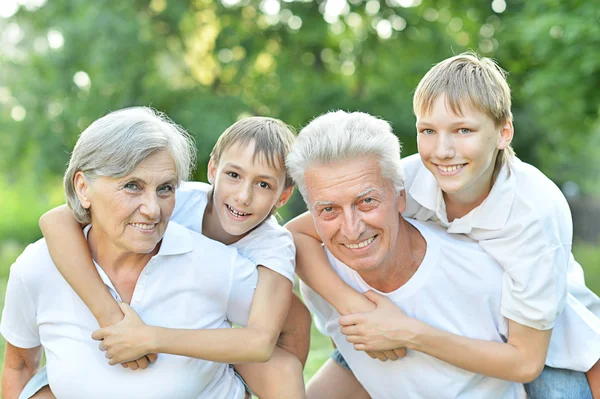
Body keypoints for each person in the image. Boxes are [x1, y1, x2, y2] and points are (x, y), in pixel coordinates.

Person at [286, 53, 600, 398]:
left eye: (463, 130)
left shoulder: (534, 213)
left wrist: (405, 331)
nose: (443, 150)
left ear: (503, 132)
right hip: (427, 320)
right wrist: (353, 305)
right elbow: (299, 232)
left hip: (546, 338)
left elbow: (525, 362)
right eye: (428, 131)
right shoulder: (409, 178)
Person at [32, 116, 311, 399]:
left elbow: (261, 342)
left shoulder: (274, 246)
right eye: (234, 175)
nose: (243, 196)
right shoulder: (173, 200)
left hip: (203, 332)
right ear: (213, 170)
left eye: (263, 185)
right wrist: (110, 317)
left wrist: (149, 337)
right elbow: (55, 220)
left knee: (283, 369)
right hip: (147, 312)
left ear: (283, 196)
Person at [286, 110, 532, 398]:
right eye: (329, 210)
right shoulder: (324, 278)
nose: (352, 230)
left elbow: (543, 357)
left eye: (367, 201)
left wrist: (408, 333)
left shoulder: (481, 274)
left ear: (400, 196)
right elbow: (347, 352)